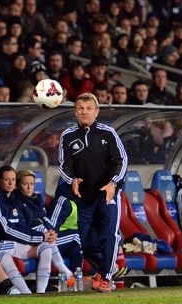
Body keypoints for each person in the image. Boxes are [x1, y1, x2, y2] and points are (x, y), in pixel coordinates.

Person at [59, 92, 128, 293]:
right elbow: (63, 166)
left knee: (109, 234)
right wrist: (72, 180)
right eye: (81, 108)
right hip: (83, 198)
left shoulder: (108, 133)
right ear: (75, 112)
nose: (85, 112)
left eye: (89, 108)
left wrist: (113, 183)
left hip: (108, 194)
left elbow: (121, 161)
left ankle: (104, 277)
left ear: (97, 112)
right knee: (86, 243)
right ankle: (108, 269)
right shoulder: (68, 136)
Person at [0, 166, 62, 294]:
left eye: (13, 180)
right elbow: (6, 229)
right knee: (9, 256)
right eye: (6, 179)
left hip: (15, 243)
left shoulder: (14, 198)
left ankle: (40, 292)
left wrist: (45, 235)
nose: (10, 183)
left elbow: (23, 225)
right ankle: (26, 294)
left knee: (46, 247)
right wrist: (39, 237)